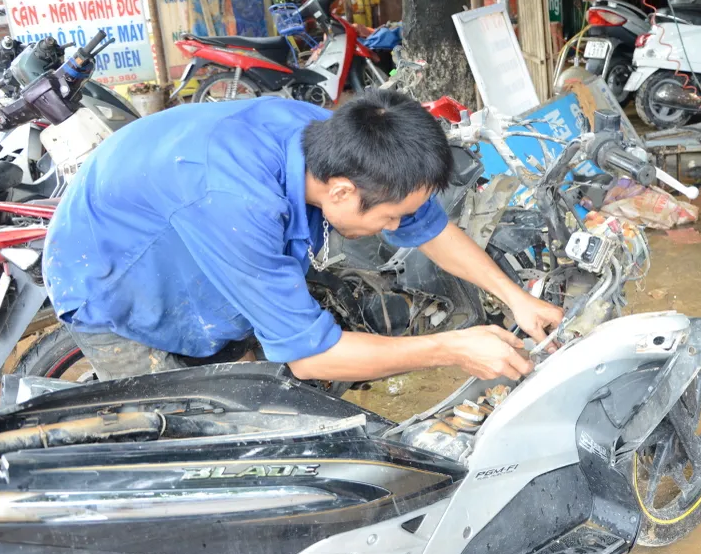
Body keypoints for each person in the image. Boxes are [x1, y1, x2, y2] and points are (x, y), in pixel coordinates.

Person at [42, 91, 563, 382]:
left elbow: (428, 227)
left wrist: (516, 299)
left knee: (255, 391)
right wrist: (452, 348)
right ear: (341, 192)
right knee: (188, 447)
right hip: (115, 278)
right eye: (388, 219)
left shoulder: (338, 141)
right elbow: (311, 356)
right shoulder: (239, 202)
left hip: (195, 231)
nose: (395, 229)